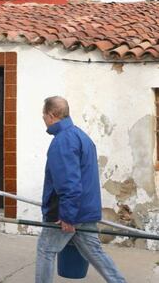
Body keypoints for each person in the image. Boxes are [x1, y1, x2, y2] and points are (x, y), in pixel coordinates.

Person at [35, 96, 126, 283]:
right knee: (95, 253)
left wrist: (68, 216)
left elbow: (69, 184)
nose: (43, 119)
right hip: (85, 211)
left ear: (52, 115)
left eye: (44, 115)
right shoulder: (81, 136)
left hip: (68, 214)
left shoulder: (63, 141)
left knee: (45, 250)